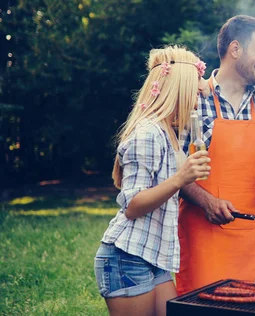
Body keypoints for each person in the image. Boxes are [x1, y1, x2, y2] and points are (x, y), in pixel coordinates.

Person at [175, 15, 255, 295]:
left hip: (252, 237)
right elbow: (172, 168)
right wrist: (206, 201)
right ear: (235, 49)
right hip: (201, 235)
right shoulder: (193, 97)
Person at [94, 45, 211, 316]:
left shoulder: (169, 133)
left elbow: (205, 100)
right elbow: (133, 205)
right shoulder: (147, 134)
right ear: (178, 91)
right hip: (127, 257)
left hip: (151, 257)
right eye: (193, 93)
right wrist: (181, 178)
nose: (196, 101)